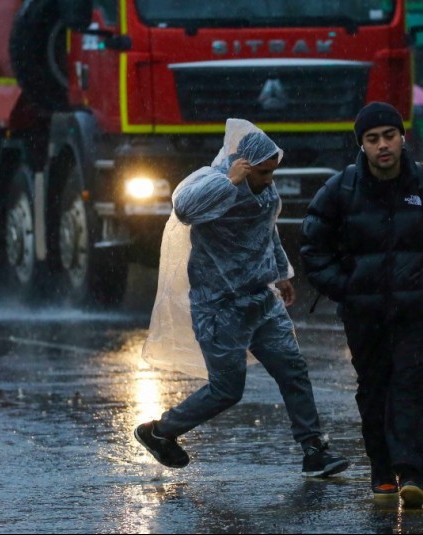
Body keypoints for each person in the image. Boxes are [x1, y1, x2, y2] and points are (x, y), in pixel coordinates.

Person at [134, 118, 350, 479]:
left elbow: (267, 230)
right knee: (227, 390)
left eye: (272, 172)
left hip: (259, 300)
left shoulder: (266, 191)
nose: (269, 179)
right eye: (263, 172)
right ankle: (160, 431)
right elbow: (184, 209)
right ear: (243, 166)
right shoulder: (212, 182)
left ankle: (314, 449)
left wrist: (281, 274)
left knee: (292, 368)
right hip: (219, 307)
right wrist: (228, 181)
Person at [301, 102, 423, 507]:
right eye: (372, 139)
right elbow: (313, 248)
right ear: (362, 145)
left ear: (402, 137)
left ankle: (412, 474)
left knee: (410, 386)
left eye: (389, 136)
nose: (382, 146)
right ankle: (382, 472)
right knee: (373, 390)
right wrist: (346, 287)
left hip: (416, 311)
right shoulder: (340, 189)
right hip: (364, 314)